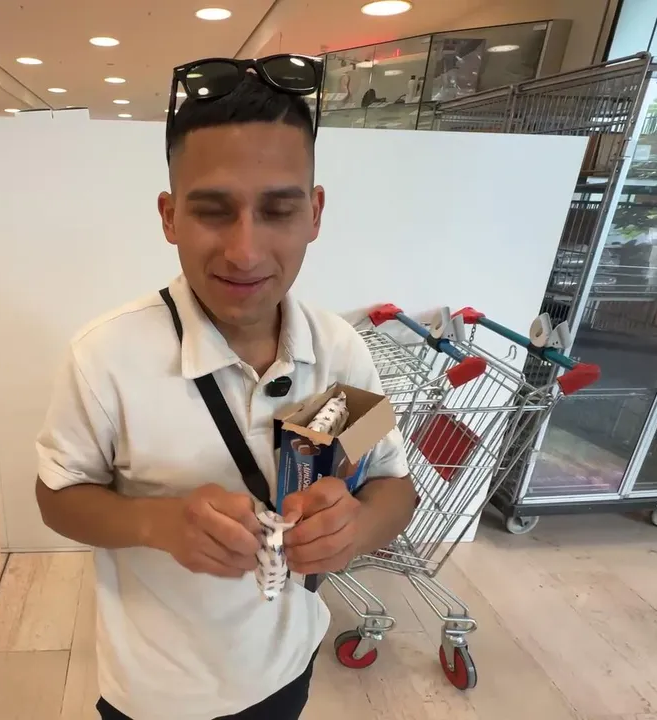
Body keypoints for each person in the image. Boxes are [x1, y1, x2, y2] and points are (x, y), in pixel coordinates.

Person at [34, 59, 417, 720]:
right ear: (169, 216)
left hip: (289, 663)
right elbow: (57, 496)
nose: (245, 251)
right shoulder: (105, 356)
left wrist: (354, 530)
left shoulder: (339, 351)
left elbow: (392, 484)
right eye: (213, 212)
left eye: (278, 210)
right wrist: (157, 522)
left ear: (315, 212)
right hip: (154, 691)